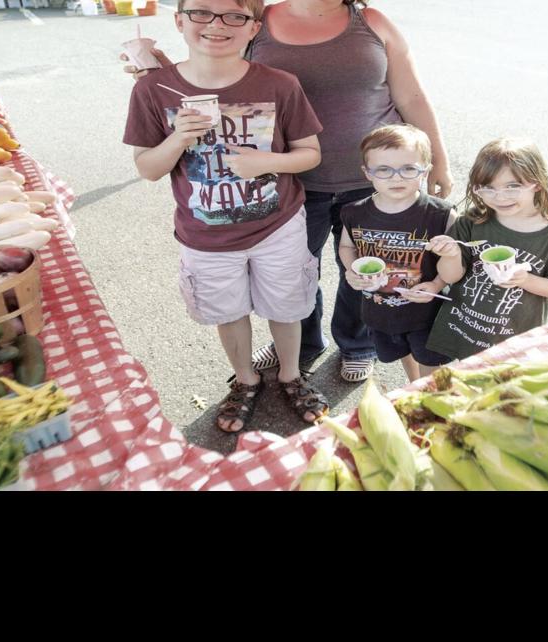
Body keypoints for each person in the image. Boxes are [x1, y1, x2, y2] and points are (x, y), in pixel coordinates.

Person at [126, 0, 454, 383]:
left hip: (376, 180)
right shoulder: (261, 20)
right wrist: (162, 77)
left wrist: (439, 160)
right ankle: (303, 347)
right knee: (296, 275)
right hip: (289, 183)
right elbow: (220, 67)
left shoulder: (372, 22)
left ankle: (356, 345)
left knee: (365, 269)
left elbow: (411, 96)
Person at [123, 0, 330, 432]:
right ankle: (246, 379)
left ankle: (291, 375)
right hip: (205, 235)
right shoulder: (153, 89)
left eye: (235, 16)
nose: (217, 25)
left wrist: (266, 162)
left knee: (287, 306)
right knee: (227, 311)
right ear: (179, 21)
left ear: (254, 28)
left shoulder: (280, 84)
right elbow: (148, 169)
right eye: (202, 13)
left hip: (278, 226)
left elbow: (309, 153)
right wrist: (177, 139)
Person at [424, 139, 548, 362]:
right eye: (488, 188)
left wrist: (525, 280)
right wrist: (452, 255)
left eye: (512, 186)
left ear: (537, 183)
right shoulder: (472, 221)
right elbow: (450, 277)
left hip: (512, 342)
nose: (500, 197)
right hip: (462, 327)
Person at [338, 124, 454, 382]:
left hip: (427, 313)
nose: (396, 178)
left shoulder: (441, 214)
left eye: (408, 168)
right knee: (403, 352)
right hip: (381, 310)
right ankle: (414, 385)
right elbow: (347, 246)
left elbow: (458, 263)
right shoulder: (354, 212)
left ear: (426, 170)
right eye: (383, 169)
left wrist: (437, 284)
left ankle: (431, 395)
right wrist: (351, 269)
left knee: (430, 362)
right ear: (367, 173)